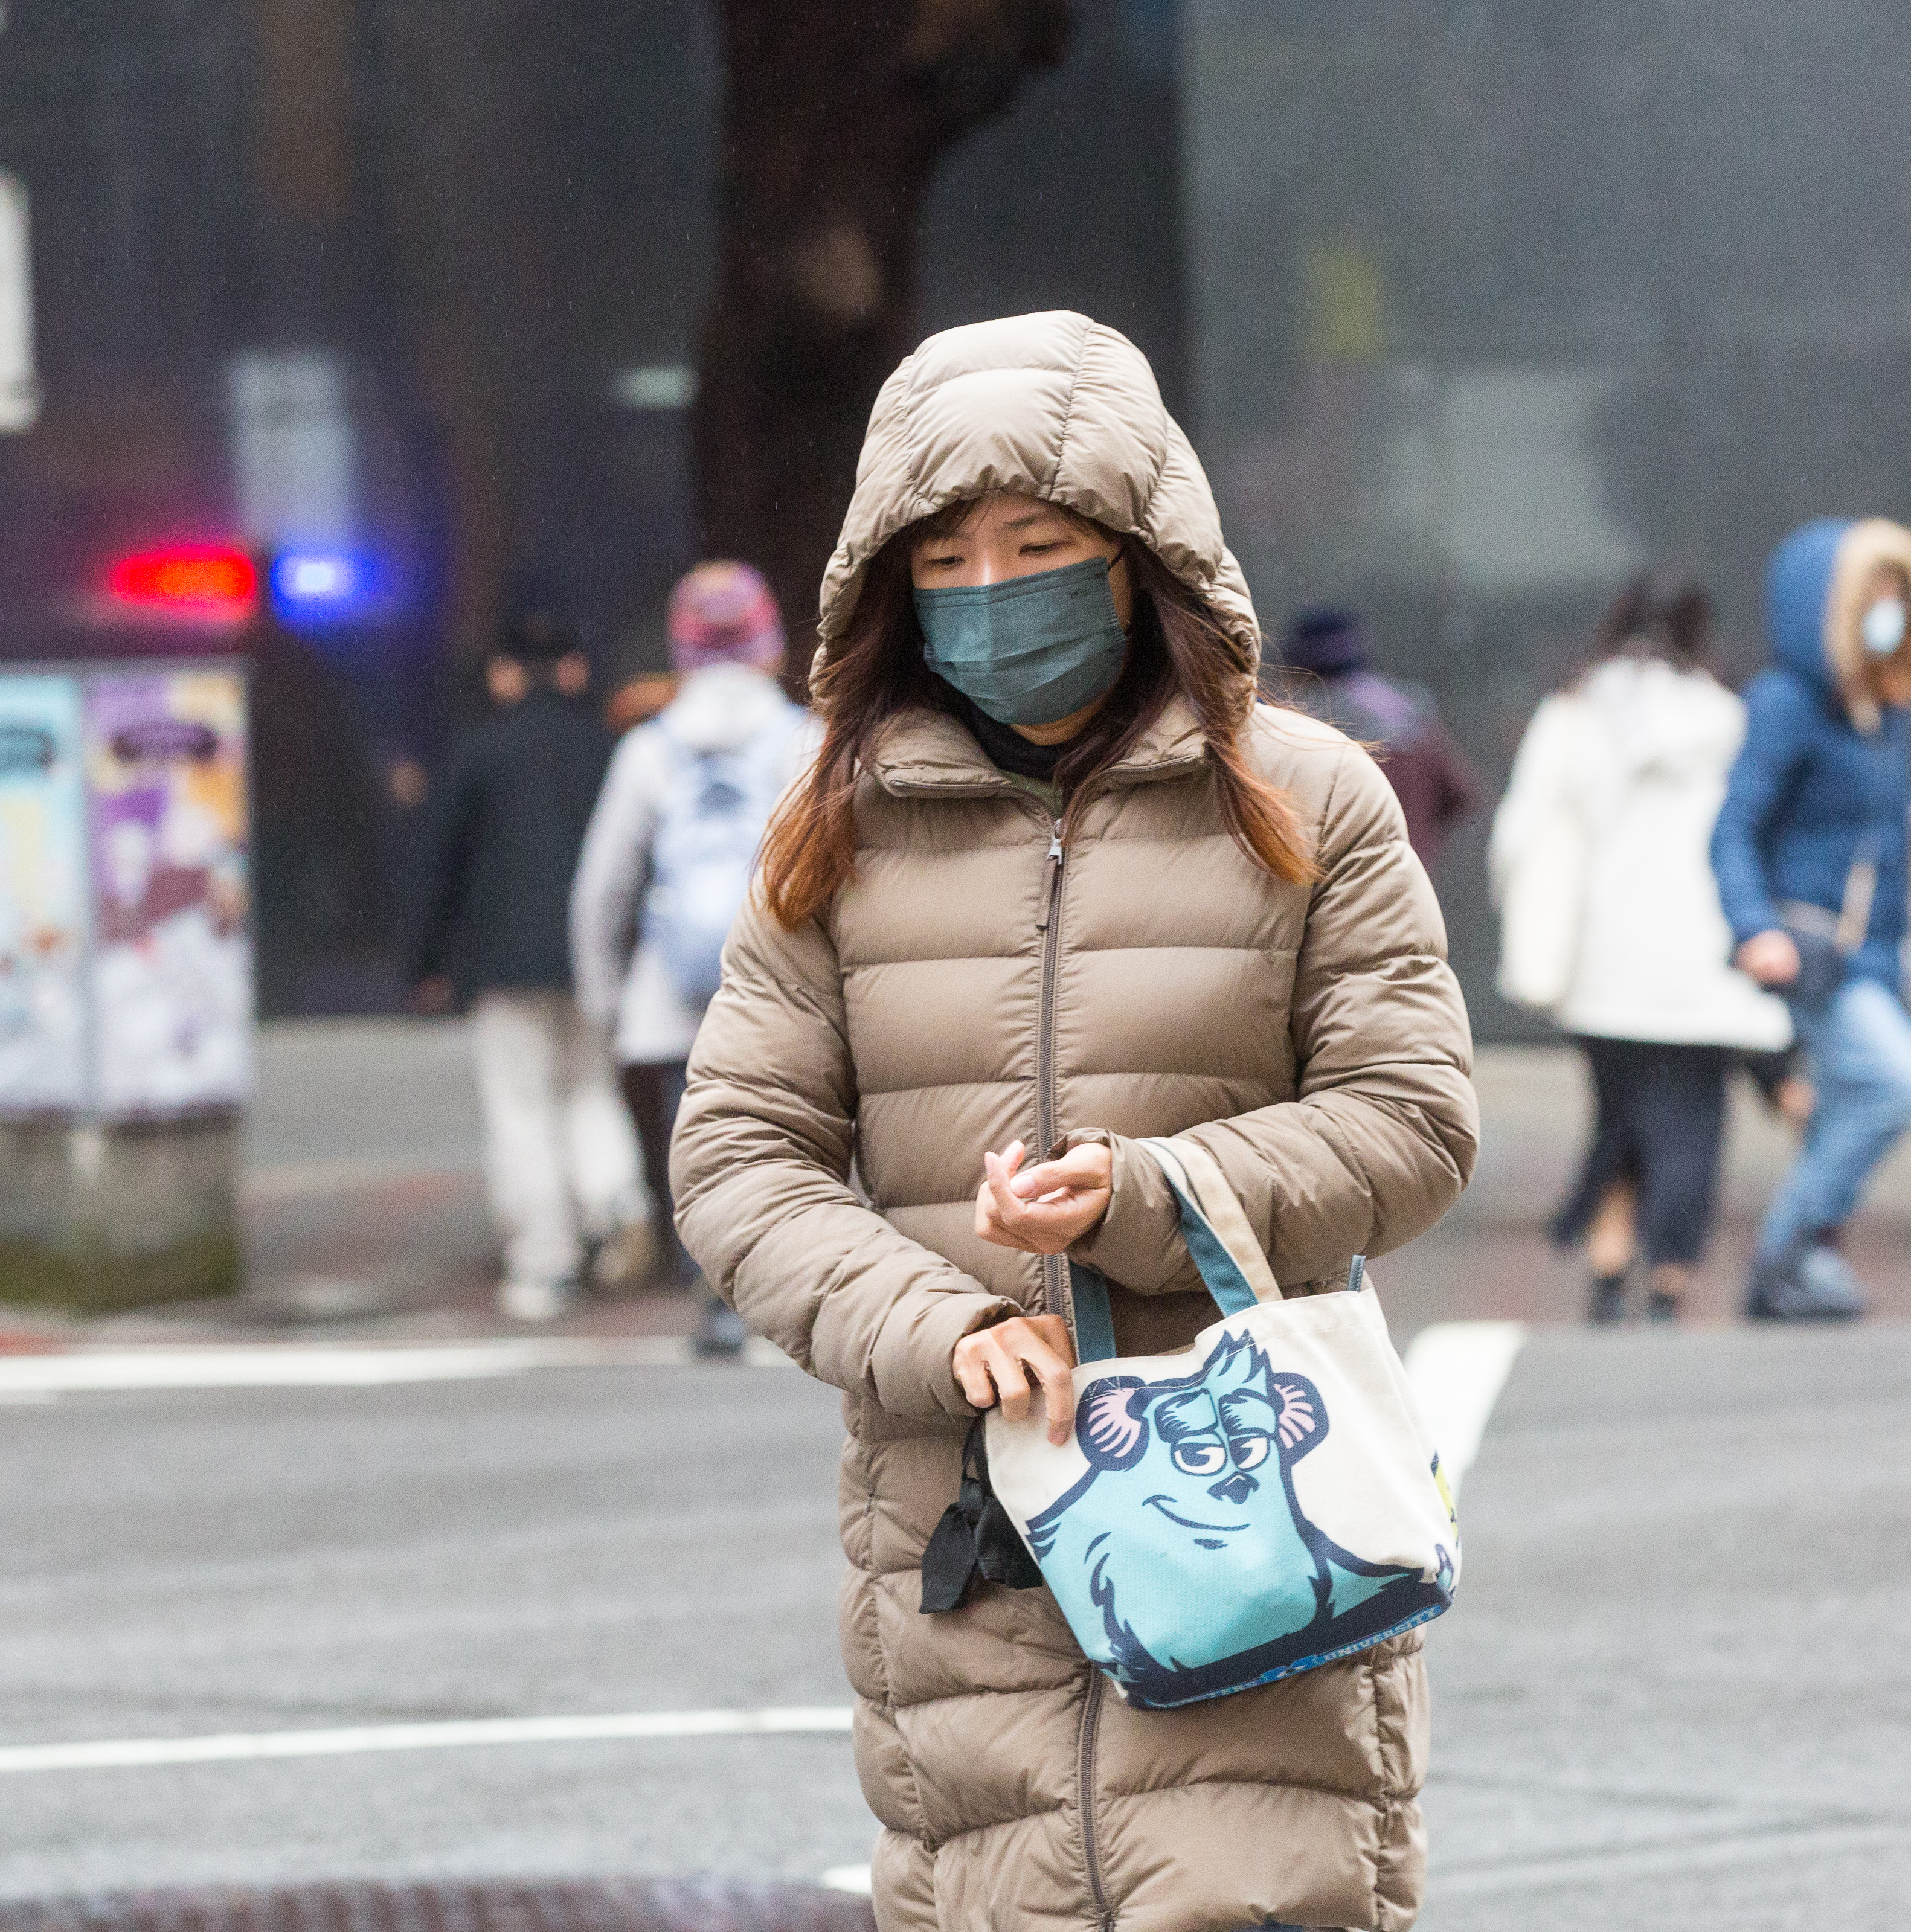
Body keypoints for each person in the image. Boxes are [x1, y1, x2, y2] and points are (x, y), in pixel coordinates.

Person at [669, 313, 1477, 1932]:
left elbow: (1412, 1116)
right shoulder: (832, 830)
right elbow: (738, 1155)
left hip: (1256, 1511)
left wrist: (1147, 1192)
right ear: (887, 588)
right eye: (945, 561)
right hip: (963, 1531)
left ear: (1137, 550)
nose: (991, 591)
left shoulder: (1309, 795)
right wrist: (937, 1323)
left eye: (1037, 547)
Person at [1490, 571, 1792, 1323]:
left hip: (1606, 958)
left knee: (1620, 1113)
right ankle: (1670, 1276)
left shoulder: (1574, 713)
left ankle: (1608, 1255)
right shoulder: (1730, 719)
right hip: (1703, 958)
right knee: (1694, 1121)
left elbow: (1525, 830)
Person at [1709, 517, 1911, 1321]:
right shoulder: (1785, 703)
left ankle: (1799, 1263)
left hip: (1874, 947)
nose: (1886, 611)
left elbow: (1864, 821)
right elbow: (1732, 829)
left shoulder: (1882, 706)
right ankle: (1785, 1249)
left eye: (1896, 595)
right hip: (1816, 947)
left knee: (1840, 1101)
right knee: (1896, 1082)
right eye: (1871, 594)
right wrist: (1754, 926)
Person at [570, 562, 816, 1357]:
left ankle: (713, 1291)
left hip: (672, 994)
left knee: (698, 1144)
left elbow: (603, 888)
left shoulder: (649, 749)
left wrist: (605, 998)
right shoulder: (804, 740)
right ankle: (784, 1291)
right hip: (783, 988)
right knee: (786, 1138)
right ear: (768, 644)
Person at [405, 614, 650, 1323]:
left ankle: (545, 1262)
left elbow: (437, 864)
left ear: (503, 675)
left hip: (501, 960)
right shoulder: (606, 750)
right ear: (575, 670)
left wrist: (425, 960)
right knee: (590, 1090)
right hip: (593, 959)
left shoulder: (478, 752)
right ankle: (615, 1198)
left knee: (521, 1108)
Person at [1271, 606, 1481, 865]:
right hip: (1409, 878)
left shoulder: (1295, 723)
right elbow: (1460, 796)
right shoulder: (1408, 710)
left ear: (1297, 668)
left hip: (1330, 883)